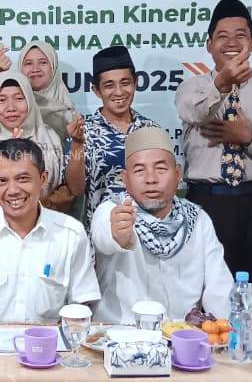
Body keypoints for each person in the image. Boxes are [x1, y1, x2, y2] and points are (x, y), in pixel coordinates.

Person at [175, 0, 252, 321]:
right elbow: (192, 112)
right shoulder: (192, 88)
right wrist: (222, 82)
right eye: (222, 36)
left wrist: (249, 139)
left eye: (240, 35)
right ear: (209, 44)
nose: (231, 42)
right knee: (203, 292)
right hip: (206, 203)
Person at [0, 138, 100, 323]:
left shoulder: (70, 233)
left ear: (43, 179)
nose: (13, 190)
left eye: (22, 179)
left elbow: (82, 303)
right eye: (1, 181)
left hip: (47, 340)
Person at [91, 127, 232, 324]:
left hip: (182, 334)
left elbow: (219, 287)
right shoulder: (113, 212)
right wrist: (119, 238)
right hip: (121, 331)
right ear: (125, 179)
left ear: (178, 174)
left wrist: (225, 329)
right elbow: (103, 238)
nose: (151, 179)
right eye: (139, 170)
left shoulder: (197, 219)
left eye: (160, 169)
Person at [0, 71, 85, 213]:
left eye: (19, 98)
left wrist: (44, 207)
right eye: (1, 100)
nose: (11, 108)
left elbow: (69, 188)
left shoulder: (49, 136)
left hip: (51, 219)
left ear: (30, 100)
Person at [81, 46, 161, 224]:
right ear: (96, 90)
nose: (119, 92)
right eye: (109, 85)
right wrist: (77, 145)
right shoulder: (85, 133)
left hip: (148, 230)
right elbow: (75, 188)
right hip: (102, 230)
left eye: (125, 83)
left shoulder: (151, 129)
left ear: (135, 82)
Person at [0, 41, 78, 141]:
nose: (35, 69)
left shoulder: (70, 116)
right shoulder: (10, 108)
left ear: (53, 67)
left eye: (43, 62)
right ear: (20, 68)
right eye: (28, 63)